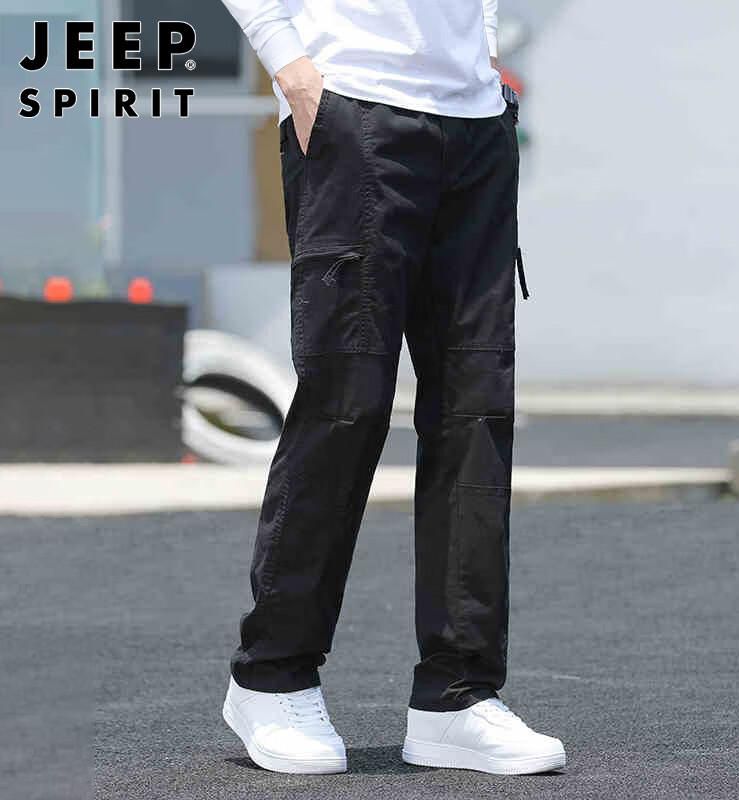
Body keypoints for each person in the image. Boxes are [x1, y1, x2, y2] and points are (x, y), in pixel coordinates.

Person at [219, 0, 565, 776]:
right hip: (354, 108)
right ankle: (272, 677)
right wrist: (289, 64)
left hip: (476, 124)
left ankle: (457, 696)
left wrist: (485, 54)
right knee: (347, 405)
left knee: (476, 413)